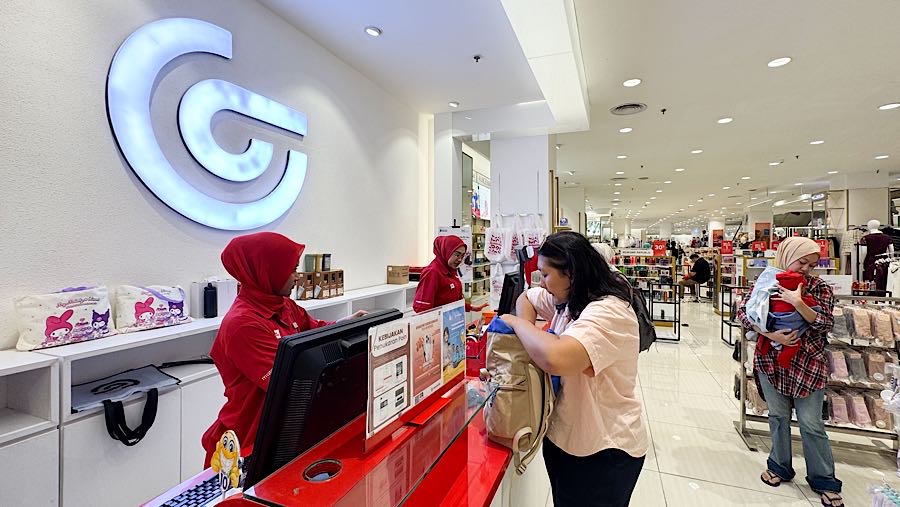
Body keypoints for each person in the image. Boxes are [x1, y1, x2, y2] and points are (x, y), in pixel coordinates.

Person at [499, 232, 646, 506]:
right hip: (566, 440)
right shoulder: (570, 298)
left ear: (571, 272)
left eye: (545, 274)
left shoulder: (609, 311)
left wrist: (519, 326)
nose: (542, 283)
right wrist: (532, 328)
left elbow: (556, 358)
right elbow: (526, 298)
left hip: (604, 450)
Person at [201, 232, 365, 466]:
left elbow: (314, 328)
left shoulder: (283, 304)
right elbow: (286, 382)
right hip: (250, 439)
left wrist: (347, 324)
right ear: (266, 270)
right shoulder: (243, 324)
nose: (298, 277)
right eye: (291, 270)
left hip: (288, 429)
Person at [736, 237, 843, 507]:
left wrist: (798, 303)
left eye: (812, 263)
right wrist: (771, 334)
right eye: (801, 261)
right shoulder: (767, 281)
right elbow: (745, 314)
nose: (806, 268)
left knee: (811, 423)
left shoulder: (819, 287)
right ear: (786, 257)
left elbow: (826, 323)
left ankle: (823, 479)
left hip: (808, 364)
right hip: (771, 361)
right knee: (778, 416)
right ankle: (779, 466)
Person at [413, 235, 488, 313]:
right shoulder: (432, 272)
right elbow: (421, 309)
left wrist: (471, 307)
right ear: (446, 251)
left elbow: (454, 302)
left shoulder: (451, 271)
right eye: (457, 254)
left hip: (452, 322)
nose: (459, 259)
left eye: (462, 256)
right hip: (440, 323)